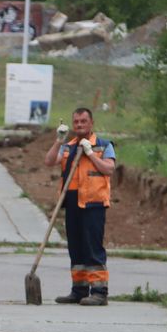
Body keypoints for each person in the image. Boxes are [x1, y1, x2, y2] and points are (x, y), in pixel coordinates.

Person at [43, 107, 116, 306]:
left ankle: (99, 292)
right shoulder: (68, 146)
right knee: (76, 248)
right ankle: (79, 289)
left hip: (94, 203)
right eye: (76, 122)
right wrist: (59, 139)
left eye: (83, 121)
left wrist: (90, 153)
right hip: (72, 203)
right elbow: (49, 161)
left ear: (91, 123)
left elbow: (109, 169)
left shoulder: (103, 145)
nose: (79, 125)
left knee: (92, 247)